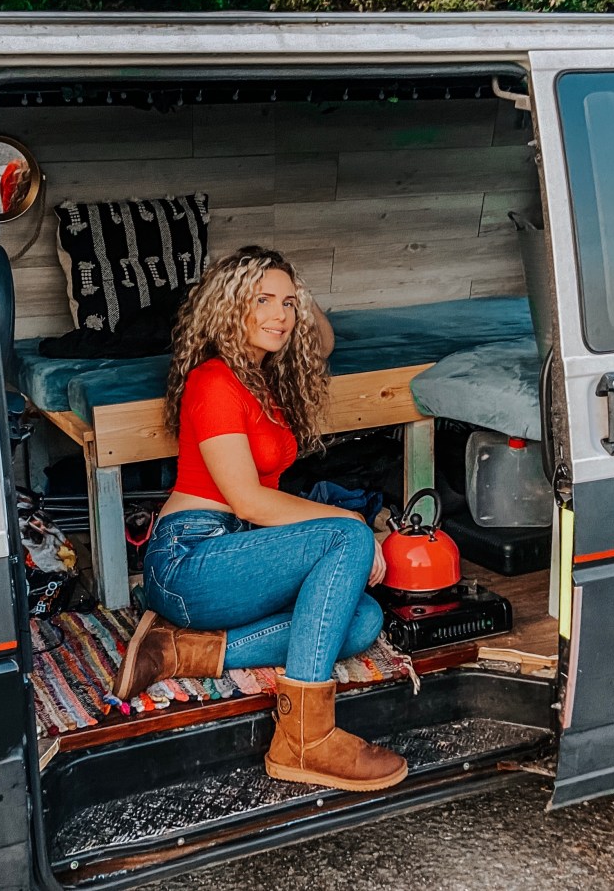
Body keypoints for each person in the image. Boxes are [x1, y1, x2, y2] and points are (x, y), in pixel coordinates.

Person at [114, 245, 407, 792]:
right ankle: (303, 738)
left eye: (288, 304)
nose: (281, 314)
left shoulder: (263, 378)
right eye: (263, 300)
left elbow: (323, 341)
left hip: (240, 553)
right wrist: (357, 532)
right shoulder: (214, 379)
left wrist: (302, 293)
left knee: (363, 620)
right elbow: (248, 501)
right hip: (190, 559)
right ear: (231, 306)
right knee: (346, 531)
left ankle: (179, 650)